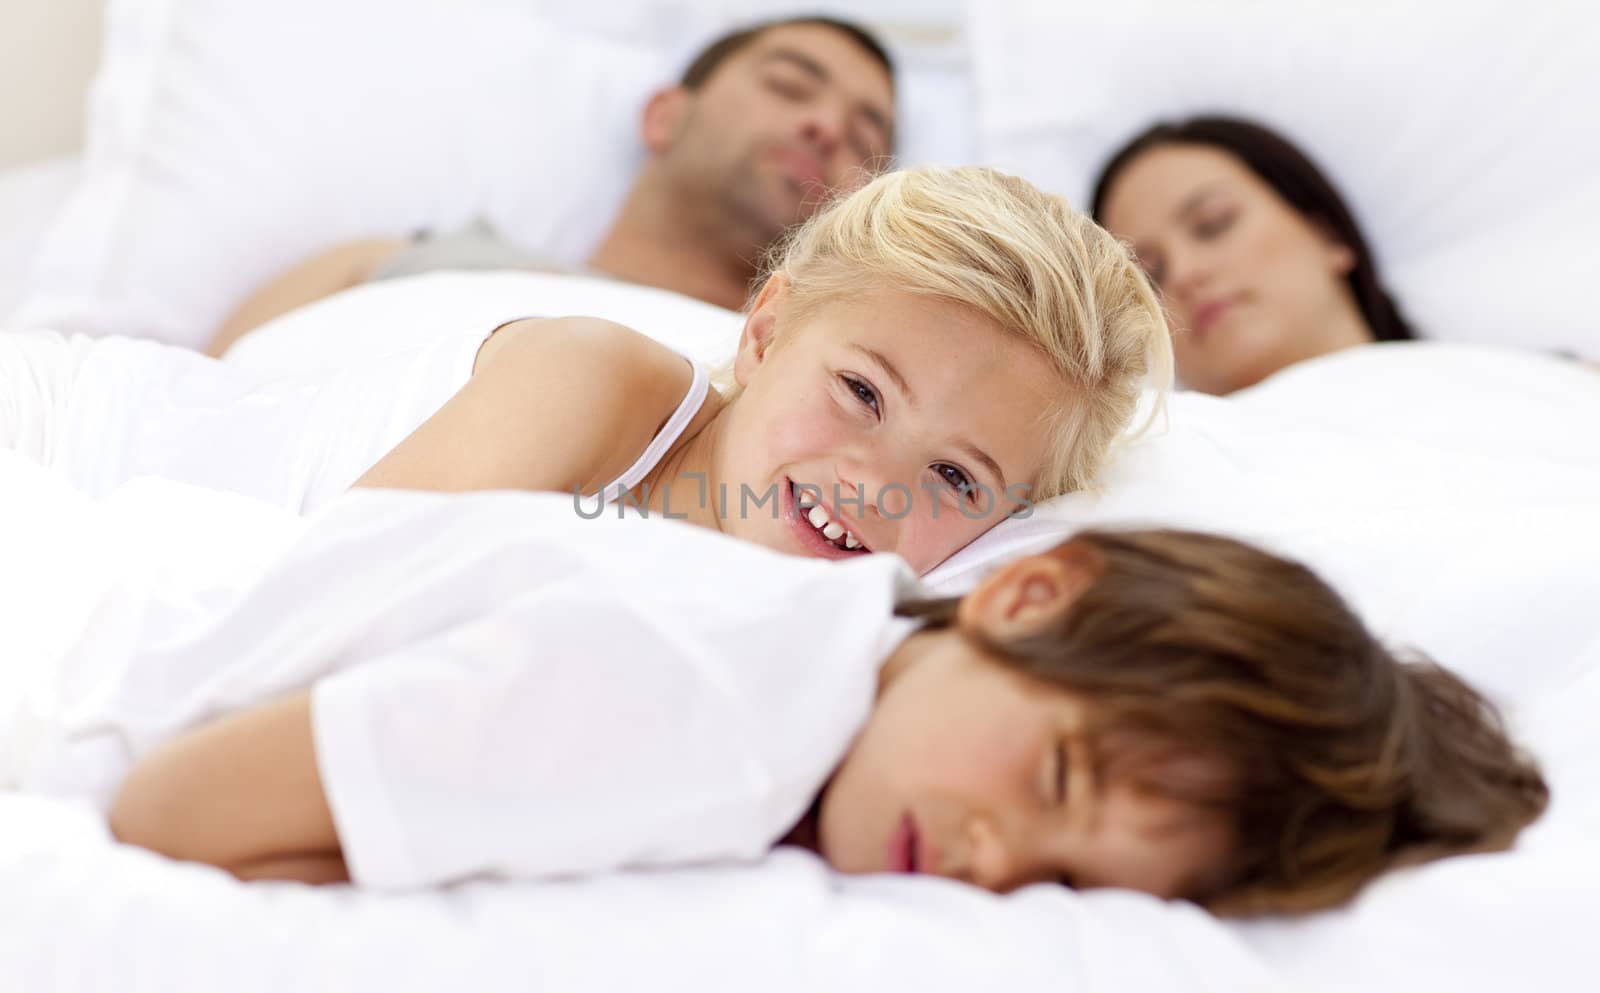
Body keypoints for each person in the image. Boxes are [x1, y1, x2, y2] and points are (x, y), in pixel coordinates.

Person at [83, 486, 1545, 915]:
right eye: (1050, 787)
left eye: (1062, 885)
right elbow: (165, 813)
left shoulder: (807, 670)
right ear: (1028, 592)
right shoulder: (710, 704)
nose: (991, 867)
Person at [2, 166, 1173, 576]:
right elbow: (330, 599)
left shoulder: (812, 605)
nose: (876, 483)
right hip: (73, 437)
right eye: (861, 392)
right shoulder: (601, 381)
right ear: (763, 334)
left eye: (959, 479)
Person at [203, 15, 899, 357]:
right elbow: (178, 401)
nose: (826, 126)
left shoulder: (803, 373)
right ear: (664, 117)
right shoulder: (385, 264)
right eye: (789, 85)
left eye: (867, 140)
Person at [1092, 116, 1415, 396]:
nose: (1184, 274)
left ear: (1327, 233)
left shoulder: (1462, 388)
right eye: (1150, 278)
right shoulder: (1146, 464)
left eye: (1213, 223)